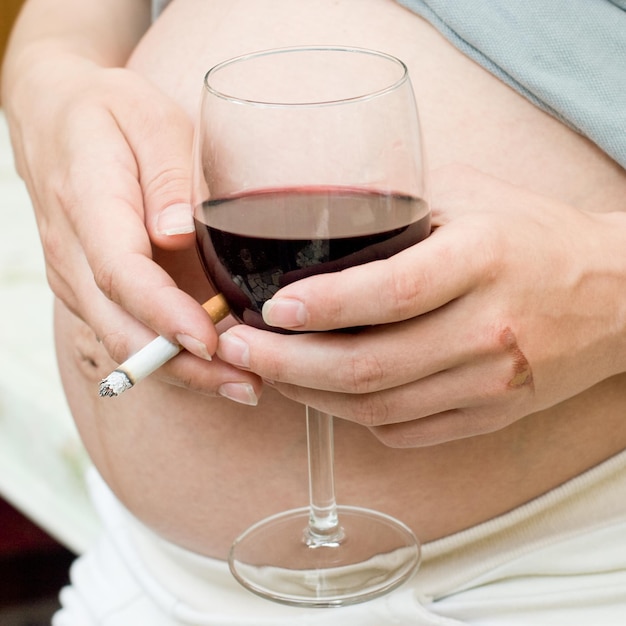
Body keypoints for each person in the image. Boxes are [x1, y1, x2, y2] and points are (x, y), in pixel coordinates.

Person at [3, 0, 626, 623]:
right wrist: (50, 88)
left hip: (537, 579)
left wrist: (606, 285)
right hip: (140, 576)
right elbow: (68, 21)